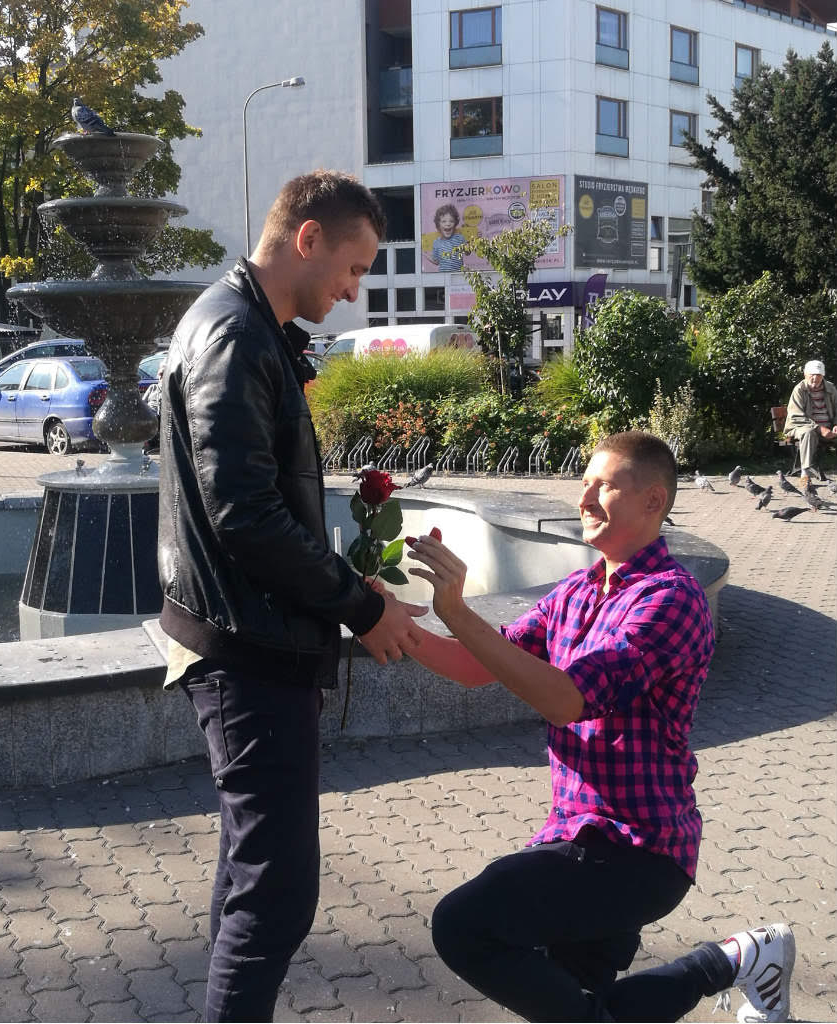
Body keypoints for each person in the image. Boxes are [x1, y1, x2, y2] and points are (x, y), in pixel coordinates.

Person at [403, 431, 795, 1023]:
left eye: (604, 485)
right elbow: (473, 667)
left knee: (464, 925)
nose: (584, 498)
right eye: (583, 484)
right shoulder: (577, 592)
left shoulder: (672, 600)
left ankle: (734, 961)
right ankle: (739, 957)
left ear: (653, 502)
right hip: (577, 837)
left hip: (637, 853)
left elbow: (567, 700)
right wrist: (373, 616)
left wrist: (456, 610)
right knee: (590, 1006)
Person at [156, 170, 427, 1022]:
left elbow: (255, 501)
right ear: (307, 239)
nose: (354, 291)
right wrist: (361, 605)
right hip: (249, 655)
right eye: (353, 268)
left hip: (250, 641)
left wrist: (345, 580)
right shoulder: (236, 335)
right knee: (277, 895)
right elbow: (245, 514)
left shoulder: (250, 326)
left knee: (252, 876)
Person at [783, 359, 837, 485]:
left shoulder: (831, 388)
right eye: (811, 376)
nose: (814, 380)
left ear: (822, 376)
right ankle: (805, 474)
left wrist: (835, 425)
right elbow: (796, 416)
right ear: (805, 375)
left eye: (818, 377)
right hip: (800, 426)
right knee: (808, 433)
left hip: (828, 428)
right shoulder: (799, 389)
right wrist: (819, 428)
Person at [427, 203, 466, 271]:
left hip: (457, 275)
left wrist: (475, 241)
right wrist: (425, 255)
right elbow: (436, 262)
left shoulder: (460, 238)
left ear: (455, 223)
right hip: (443, 276)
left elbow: (467, 252)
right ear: (438, 225)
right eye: (444, 221)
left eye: (451, 221)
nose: (448, 224)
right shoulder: (436, 242)